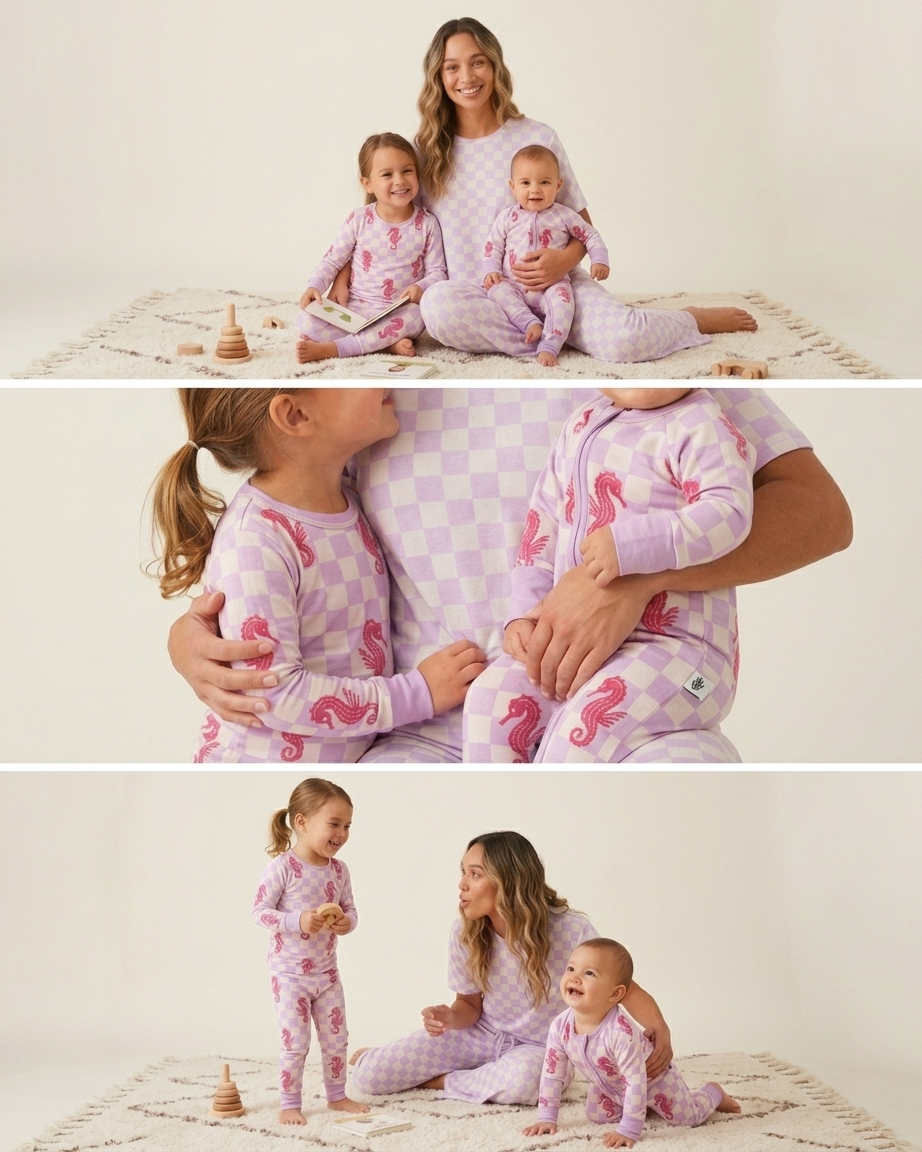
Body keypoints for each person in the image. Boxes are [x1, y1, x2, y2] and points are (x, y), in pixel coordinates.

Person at [166, 387, 852, 764]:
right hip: (429, 733)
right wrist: (192, 639)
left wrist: (638, 577)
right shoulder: (376, 381)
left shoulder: (637, 364)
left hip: (651, 695)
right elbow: (286, 509)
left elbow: (821, 512)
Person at [357, 17, 757, 364]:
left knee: (625, 340)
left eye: (478, 62)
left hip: (556, 287)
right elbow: (390, 222)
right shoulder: (426, 150)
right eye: (452, 67)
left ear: (495, 67)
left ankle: (688, 318)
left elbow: (582, 227)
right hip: (482, 299)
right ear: (438, 77)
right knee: (438, 308)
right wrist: (343, 276)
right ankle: (555, 338)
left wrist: (561, 263)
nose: (467, 77)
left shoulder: (536, 137)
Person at [150, 387, 483, 761]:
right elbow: (274, 693)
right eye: (351, 378)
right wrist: (417, 694)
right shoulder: (254, 543)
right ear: (295, 415)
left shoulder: (348, 496)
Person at [463, 387, 754, 763]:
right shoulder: (583, 422)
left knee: (581, 730)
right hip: (574, 639)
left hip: (680, 653)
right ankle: (500, 810)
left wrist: (629, 545)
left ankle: (558, 813)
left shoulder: (700, 423)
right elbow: (544, 520)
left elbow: (729, 511)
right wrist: (525, 612)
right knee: (490, 699)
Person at [347, 832, 673, 1105]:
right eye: (462, 872)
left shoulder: (571, 930)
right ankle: (474, 1077)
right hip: (478, 1035)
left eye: (475, 874)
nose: (462, 884)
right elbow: (469, 1006)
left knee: (525, 1084)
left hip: (540, 1049)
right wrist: (449, 1017)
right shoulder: (465, 932)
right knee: (368, 1077)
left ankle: (442, 1082)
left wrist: (659, 1026)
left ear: (509, 880)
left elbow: (623, 987)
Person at [524, 939, 740, 1148]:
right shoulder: (560, 1026)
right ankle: (642, 1107)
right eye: (571, 969)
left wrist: (629, 1128)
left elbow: (635, 1082)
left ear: (615, 994)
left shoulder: (620, 1033)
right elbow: (552, 1074)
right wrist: (546, 1117)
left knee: (687, 1117)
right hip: (610, 1086)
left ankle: (713, 1092)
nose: (575, 977)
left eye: (589, 973)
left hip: (654, 1080)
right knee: (596, 1115)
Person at [252, 777, 367, 1123]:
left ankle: (336, 1096)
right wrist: (297, 921)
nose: (342, 833)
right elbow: (259, 912)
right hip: (289, 976)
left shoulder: (339, 870)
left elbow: (351, 911)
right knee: (295, 1043)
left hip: (328, 974)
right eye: (334, 824)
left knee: (337, 1040)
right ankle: (289, 1104)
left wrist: (346, 923)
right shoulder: (283, 868)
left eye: (347, 826)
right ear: (301, 822)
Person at [295, 132, 446, 363]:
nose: (399, 180)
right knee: (305, 320)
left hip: (396, 309)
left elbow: (438, 272)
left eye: (407, 171)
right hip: (356, 306)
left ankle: (336, 349)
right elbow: (333, 259)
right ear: (368, 184)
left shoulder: (427, 223)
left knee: (418, 317)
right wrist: (314, 286)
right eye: (387, 174)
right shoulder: (359, 219)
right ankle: (384, 343)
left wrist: (421, 285)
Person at [482, 144, 610, 367]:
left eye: (544, 182)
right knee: (495, 290)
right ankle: (529, 323)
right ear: (512, 187)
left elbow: (590, 234)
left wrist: (599, 259)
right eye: (525, 183)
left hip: (553, 284)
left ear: (558, 184)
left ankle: (551, 344)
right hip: (514, 283)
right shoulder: (507, 218)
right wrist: (491, 270)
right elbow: (492, 246)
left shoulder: (563, 215)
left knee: (563, 303)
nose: (535, 190)